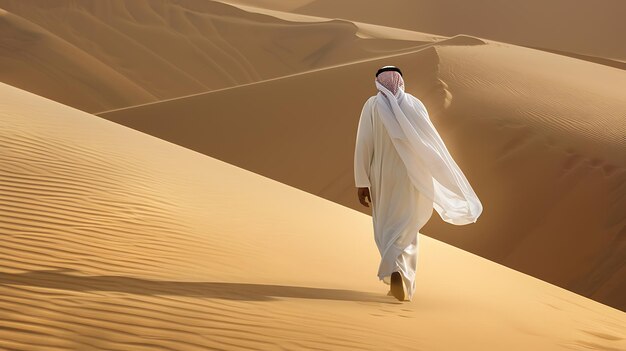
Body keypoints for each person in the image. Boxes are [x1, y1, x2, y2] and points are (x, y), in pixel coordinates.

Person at [354, 66, 483, 302]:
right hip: (413, 175)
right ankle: (402, 276)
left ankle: (393, 269)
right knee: (407, 227)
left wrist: (361, 181)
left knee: (385, 224)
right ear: (401, 82)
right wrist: (437, 172)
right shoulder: (414, 105)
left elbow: (364, 143)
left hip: (382, 175)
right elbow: (431, 142)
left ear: (378, 83)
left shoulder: (372, 106)